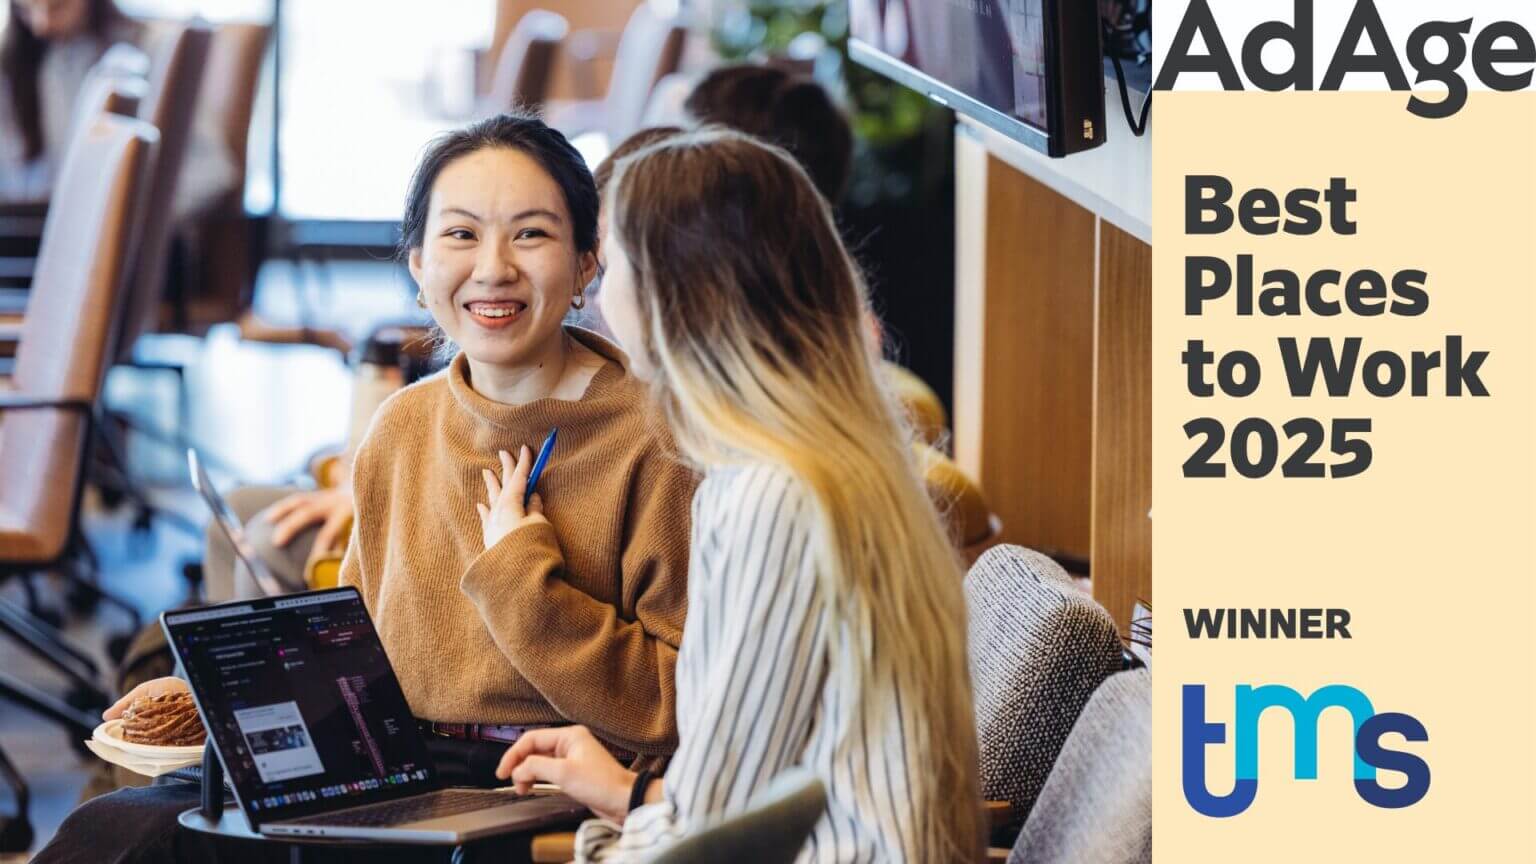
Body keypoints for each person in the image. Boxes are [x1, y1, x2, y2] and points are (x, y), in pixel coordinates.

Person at [33, 112, 696, 864]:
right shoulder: (403, 425)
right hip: (388, 765)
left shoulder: (656, 440)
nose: (493, 268)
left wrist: (524, 587)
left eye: (531, 234)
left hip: (538, 791)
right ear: (418, 265)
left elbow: (675, 707)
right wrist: (227, 703)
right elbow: (358, 659)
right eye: (460, 234)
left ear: (584, 264)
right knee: (118, 830)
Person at [496, 130, 984, 862]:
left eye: (612, 263)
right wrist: (629, 797)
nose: (594, 289)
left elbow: (715, 829)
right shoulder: (836, 458)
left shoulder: (771, 496)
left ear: (672, 292)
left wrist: (602, 839)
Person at [0, 0, 235, 213]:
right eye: (25, 10)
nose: (41, 25)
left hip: (121, 229)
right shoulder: (21, 64)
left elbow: (212, 169)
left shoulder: (150, 50)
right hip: (33, 224)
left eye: (58, 6)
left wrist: (126, 213)